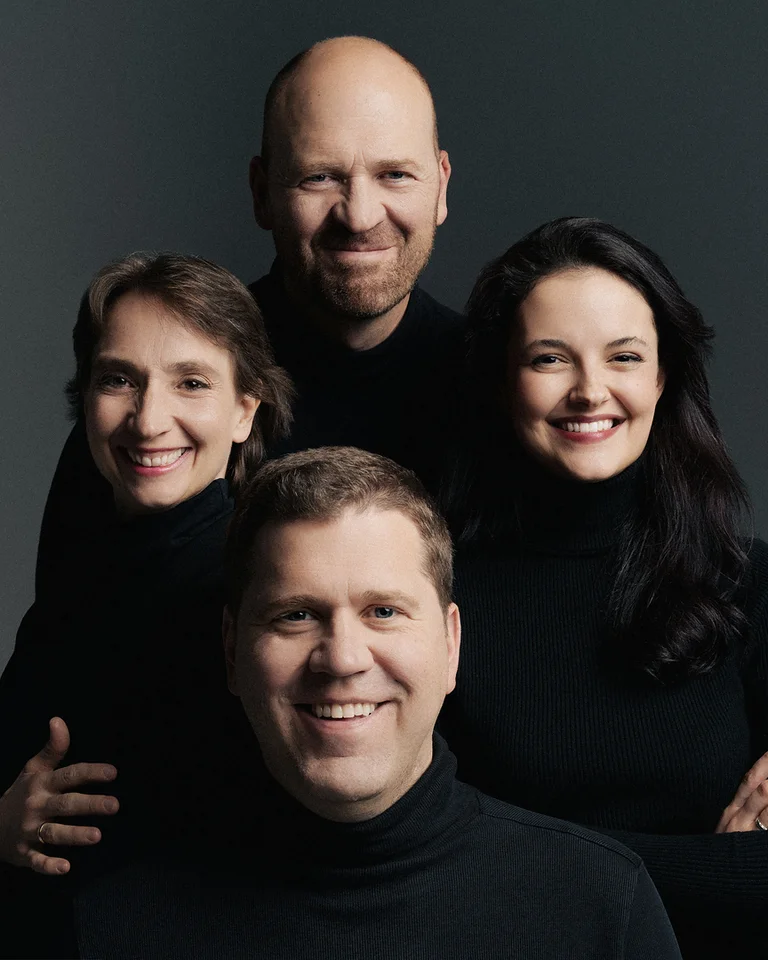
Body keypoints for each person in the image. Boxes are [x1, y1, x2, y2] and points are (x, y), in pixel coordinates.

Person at [72, 447, 682, 959]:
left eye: (383, 612)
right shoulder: (114, 926)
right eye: (296, 615)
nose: (342, 658)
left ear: (450, 644)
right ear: (232, 649)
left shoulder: (601, 904)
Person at [28, 36, 466, 603]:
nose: (359, 215)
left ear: (441, 185)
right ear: (262, 193)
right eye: (320, 177)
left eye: (395, 175)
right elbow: (67, 644)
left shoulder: (503, 386)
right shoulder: (168, 389)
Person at [437, 217, 768, 958]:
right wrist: (705, 865)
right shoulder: (437, 597)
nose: (591, 392)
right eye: (551, 358)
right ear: (502, 378)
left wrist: (530, 850)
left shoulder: (749, 583)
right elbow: (437, 859)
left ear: (662, 375)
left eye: (624, 356)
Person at [0, 252, 292, 957]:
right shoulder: (82, 574)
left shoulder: (261, 592)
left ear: (244, 410)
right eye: (119, 379)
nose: (148, 418)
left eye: (191, 382)